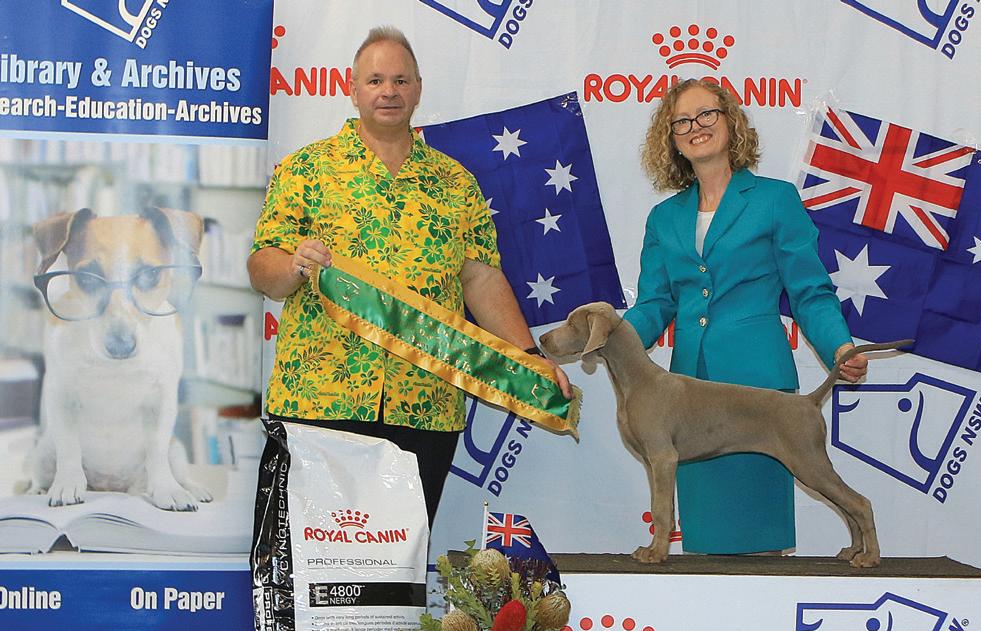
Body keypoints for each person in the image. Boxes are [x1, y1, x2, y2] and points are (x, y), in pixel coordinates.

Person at [248, 26, 571, 526]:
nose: (389, 91)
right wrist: (292, 266)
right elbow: (261, 268)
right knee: (309, 559)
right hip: (319, 399)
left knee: (400, 559)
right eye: (375, 80)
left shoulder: (456, 182)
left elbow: (482, 280)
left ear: (418, 89)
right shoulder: (304, 170)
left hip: (424, 403)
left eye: (401, 80)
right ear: (352, 89)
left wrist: (529, 359)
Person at [622, 79, 867, 555]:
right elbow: (654, 304)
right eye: (681, 122)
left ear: (730, 121)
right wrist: (610, 338)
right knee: (706, 550)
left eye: (706, 114)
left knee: (759, 550)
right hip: (688, 400)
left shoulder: (775, 200)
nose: (695, 127)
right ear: (671, 139)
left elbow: (809, 291)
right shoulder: (663, 218)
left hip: (759, 393)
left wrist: (840, 346)